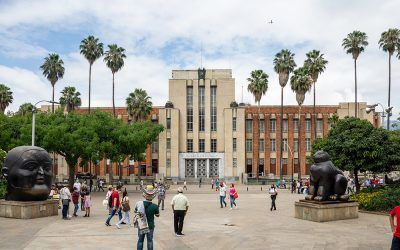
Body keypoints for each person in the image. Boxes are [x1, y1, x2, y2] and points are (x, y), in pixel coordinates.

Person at [134, 185, 159, 250]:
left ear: (144, 195)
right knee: (150, 241)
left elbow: (135, 211)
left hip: (142, 225)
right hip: (150, 226)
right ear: (153, 196)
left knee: (140, 240)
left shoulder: (138, 203)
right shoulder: (155, 206)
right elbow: (157, 215)